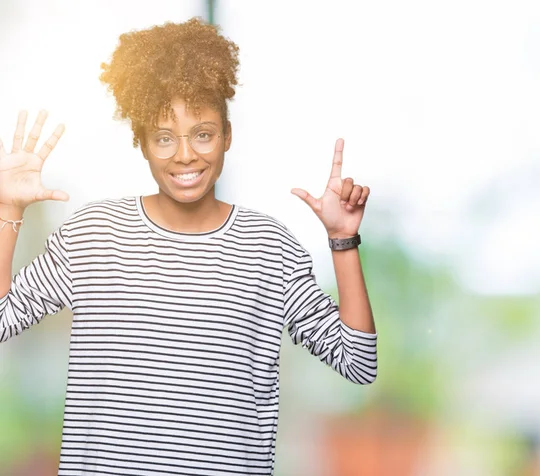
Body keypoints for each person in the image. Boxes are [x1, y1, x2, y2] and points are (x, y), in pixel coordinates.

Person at [0, 17, 377, 476]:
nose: (185, 155)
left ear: (227, 136)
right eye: (163, 137)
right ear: (140, 142)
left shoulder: (269, 247)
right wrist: (7, 210)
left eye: (203, 133)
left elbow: (357, 361)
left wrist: (342, 240)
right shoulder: (92, 234)